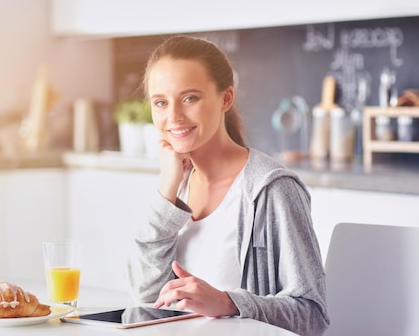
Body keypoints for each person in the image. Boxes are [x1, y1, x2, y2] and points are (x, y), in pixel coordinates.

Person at [126, 35, 329, 336]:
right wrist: (166, 191)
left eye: (190, 98)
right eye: (161, 102)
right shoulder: (177, 187)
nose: (174, 116)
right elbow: (147, 300)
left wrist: (228, 302)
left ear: (226, 98)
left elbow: (312, 317)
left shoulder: (271, 190)